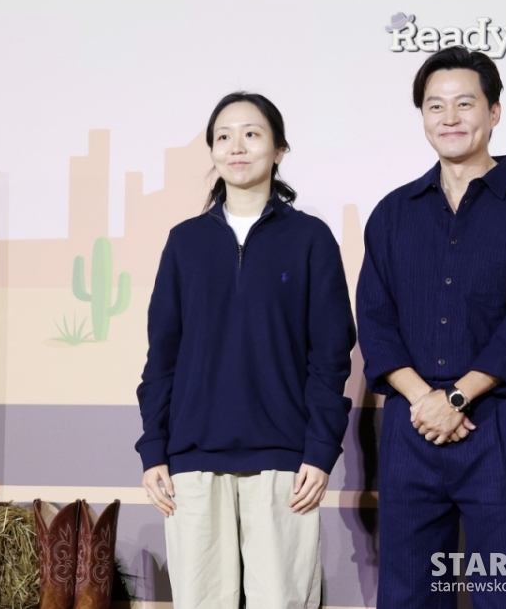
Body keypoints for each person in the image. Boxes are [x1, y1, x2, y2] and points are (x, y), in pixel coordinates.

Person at [357, 46, 506, 608]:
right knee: (407, 595)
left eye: (464, 103)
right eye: (434, 106)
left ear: (494, 112)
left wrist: (457, 397)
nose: (449, 118)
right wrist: (427, 400)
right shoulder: (394, 212)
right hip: (412, 424)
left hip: (499, 422)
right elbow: (375, 321)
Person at [136, 92, 355, 609]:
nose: (237, 146)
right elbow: (161, 356)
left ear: (279, 150)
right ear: (212, 151)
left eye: (252, 134)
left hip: (285, 464)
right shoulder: (184, 242)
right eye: (224, 136)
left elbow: (331, 357)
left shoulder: (310, 239)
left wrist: (320, 453)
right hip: (191, 461)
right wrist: (154, 449)